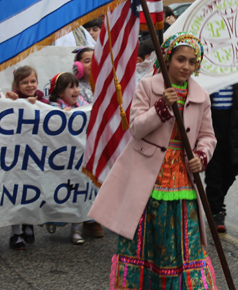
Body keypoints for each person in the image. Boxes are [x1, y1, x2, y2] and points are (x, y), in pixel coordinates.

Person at [89, 32, 218, 289]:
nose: (186, 66)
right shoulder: (147, 86)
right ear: (167, 59)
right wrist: (161, 107)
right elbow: (136, 128)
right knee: (146, 238)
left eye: (192, 62)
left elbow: (207, 136)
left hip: (183, 177)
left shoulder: (201, 95)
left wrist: (201, 157)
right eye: (181, 59)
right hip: (148, 177)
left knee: (185, 239)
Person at [205, 81, 238, 233]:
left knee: (232, 169)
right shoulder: (209, 70)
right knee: (214, 171)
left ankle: (216, 201)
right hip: (212, 123)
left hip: (234, 126)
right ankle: (217, 211)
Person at [6, 66, 50, 246]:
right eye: (25, 82)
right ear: (17, 84)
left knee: (32, 190)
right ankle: (15, 232)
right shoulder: (11, 99)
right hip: (16, 156)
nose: (30, 85)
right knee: (14, 194)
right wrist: (13, 103)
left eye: (33, 81)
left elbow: (51, 116)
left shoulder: (42, 100)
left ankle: (29, 223)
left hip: (34, 155)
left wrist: (38, 105)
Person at [47, 72, 88, 244]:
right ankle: (51, 218)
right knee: (59, 191)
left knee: (78, 193)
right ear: (59, 93)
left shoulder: (84, 105)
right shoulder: (53, 108)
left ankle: (76, 229)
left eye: (76, 86)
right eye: (70, 87)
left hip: (78, 159)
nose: (76, 90)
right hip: (62, 160)